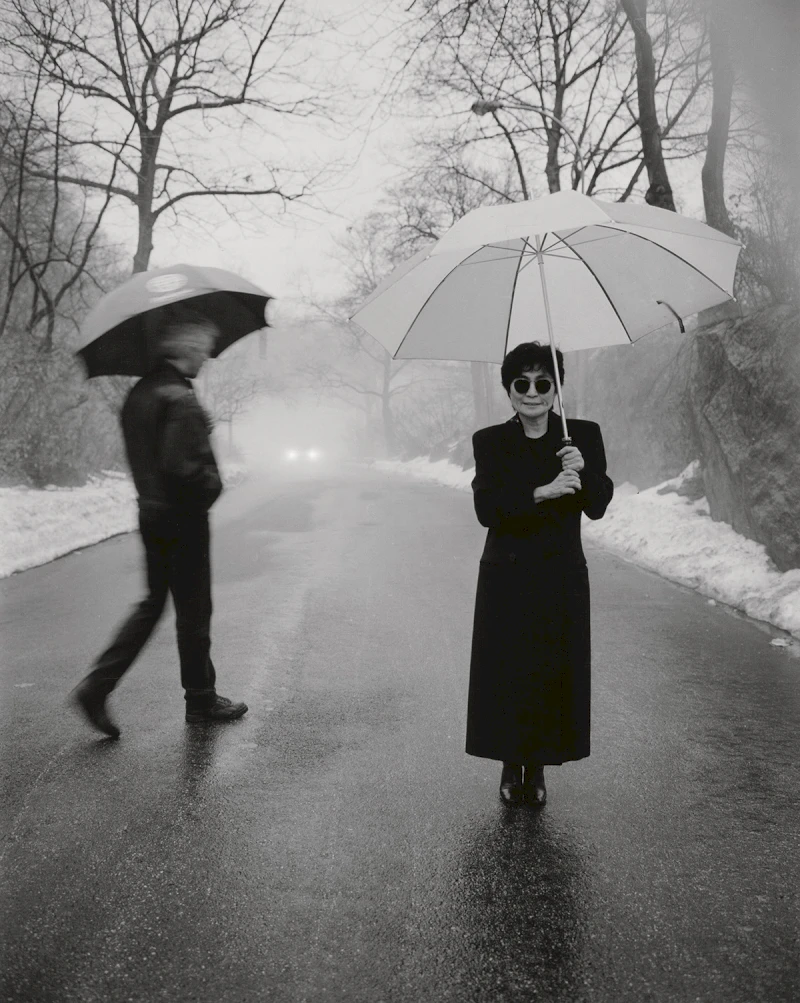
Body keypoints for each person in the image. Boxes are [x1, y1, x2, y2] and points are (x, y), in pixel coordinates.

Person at [71, 306, 248, 738]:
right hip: (183, 521)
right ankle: (199, 702)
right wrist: (213, 482)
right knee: (194, 611)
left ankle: (101, 686)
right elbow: (186, 471)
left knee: (154, 604)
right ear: (185, 346)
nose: (207, 357)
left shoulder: (141, 394)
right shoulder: (179, 399)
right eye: (204, 347)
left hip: (151, 514)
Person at [466, 341, 613, 805]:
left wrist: (584, 472)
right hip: (506, 577)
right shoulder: (490, 441)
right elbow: (487, 509)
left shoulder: (581, 436)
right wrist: (544, 491)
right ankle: (512, 764)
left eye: (543, 383)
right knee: (509, 672)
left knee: (552, 671)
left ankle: (540, 766)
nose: (533, 392)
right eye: (521, 383)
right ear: (509, 391)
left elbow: (598, 506)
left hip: (560, 575)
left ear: (557, 390)